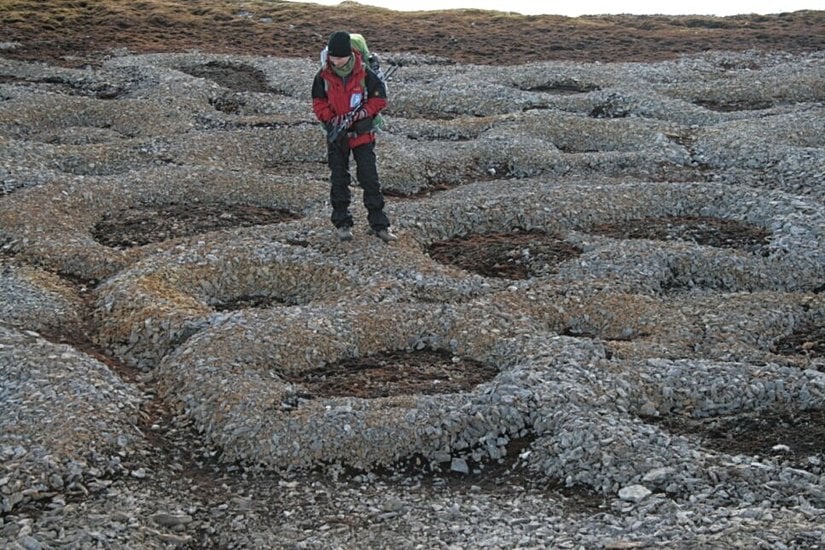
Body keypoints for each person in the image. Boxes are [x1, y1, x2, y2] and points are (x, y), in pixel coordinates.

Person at [311, 30, 397, 243]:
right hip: (337, 135)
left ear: (349, 54)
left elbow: (380, 99)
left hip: (363, 135)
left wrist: (363, 113)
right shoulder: (322, 76)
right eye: (332, 56)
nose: (335, 61)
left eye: (339, 57)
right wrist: (331, 120)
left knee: (369, 178)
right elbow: (318, 103)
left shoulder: (365, 73)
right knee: (339, 179)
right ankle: (342, 224)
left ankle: (380, 225)